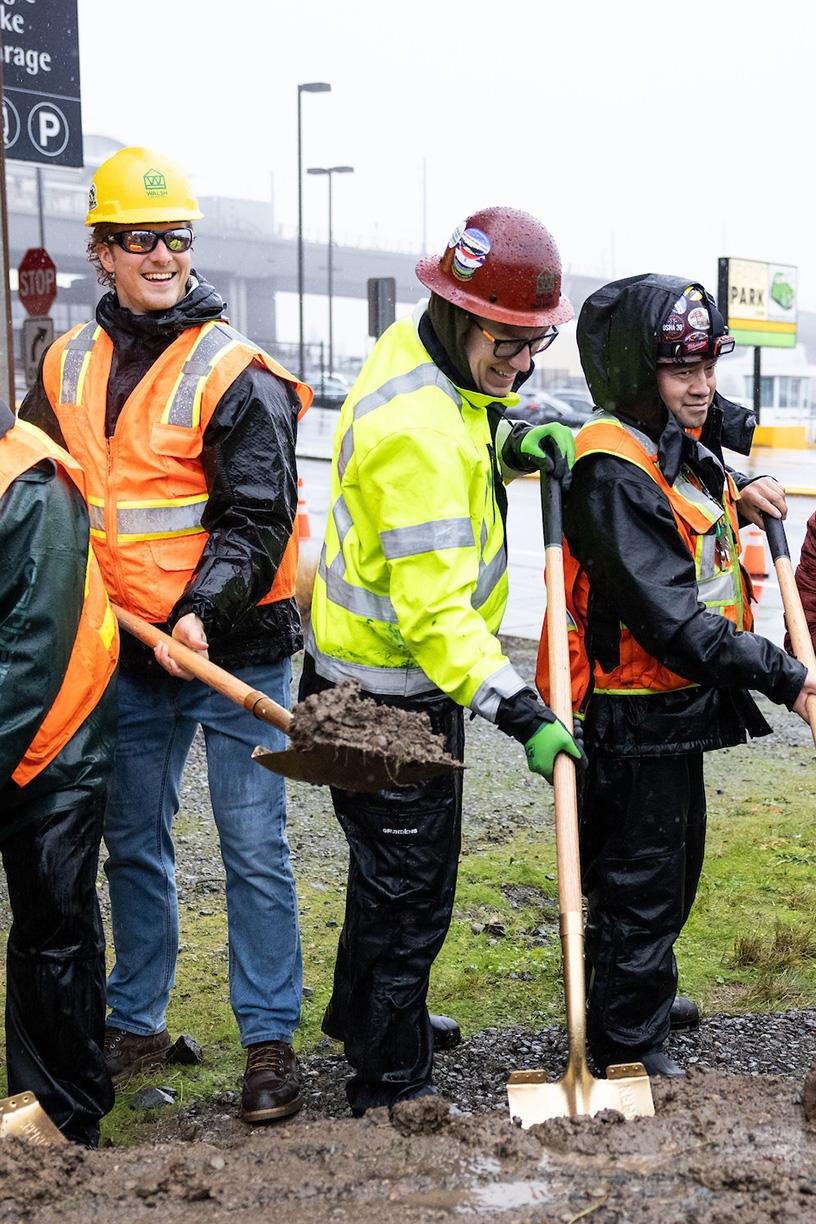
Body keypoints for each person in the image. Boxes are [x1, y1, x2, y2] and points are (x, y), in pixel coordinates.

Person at [19, 146, 312, 1124]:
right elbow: (31, 486)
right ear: (101, 251)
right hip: (125, 650)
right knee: (131, 838)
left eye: (175, 237)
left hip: (235, 643)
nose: (162, 255)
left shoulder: (237, 374)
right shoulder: (60, 364)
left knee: (253, 843)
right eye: (141, 238)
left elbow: (257, 515)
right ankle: (135, 1017)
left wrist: (198, 612)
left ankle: (269, 1044)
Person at [301, 206, 585, 1115]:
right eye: (505, 343)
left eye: (533, 345)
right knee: (410, 896)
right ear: (461, 315)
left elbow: (464, 432)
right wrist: (525, 712)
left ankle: (368, 1016)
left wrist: (507, 445)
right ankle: (389, 1085)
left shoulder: (415, 351)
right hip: (386, 696)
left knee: (385, 875)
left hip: (365, 678)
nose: (519, 365)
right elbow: (435, 616)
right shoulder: (415, 435)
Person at [536, 273, 816, 1078]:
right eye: (680, 369)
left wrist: (738, 483)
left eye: (708, 365)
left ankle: (639, 990)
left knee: (672, 871)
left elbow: (695, 465)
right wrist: (788, 676)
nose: (701, 386)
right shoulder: (610, 472)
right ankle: (626, 1042)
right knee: (641, 884)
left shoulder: (670, 440)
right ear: (637, 374)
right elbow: (672, 623)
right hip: (627, 716)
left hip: (673, 709)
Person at [0, 402, 119, 1146]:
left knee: (53, 932)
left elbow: (29, 658)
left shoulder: (29, 485)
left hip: (52, 740)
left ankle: (60, 1122)